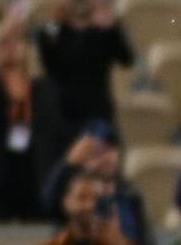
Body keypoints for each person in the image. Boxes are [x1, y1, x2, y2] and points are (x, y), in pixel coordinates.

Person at [0, 18, 64, 221]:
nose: (10, 48)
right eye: (3, 42)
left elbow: (55, 133)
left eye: (16, 42)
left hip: (35, 178)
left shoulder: (43, 89)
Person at [35, 0, 134, 144]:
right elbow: (48, 59)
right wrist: (57, 17)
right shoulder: (53, 31)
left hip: (98, 113)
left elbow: (126, 59)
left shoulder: (103, 32)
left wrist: (111, 25)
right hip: (63, 114)